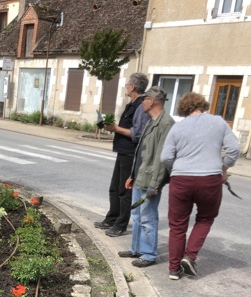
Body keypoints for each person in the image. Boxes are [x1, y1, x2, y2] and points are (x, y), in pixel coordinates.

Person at [161, 92, 240, 280]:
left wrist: (178, 169)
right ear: (202, 106)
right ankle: (190, 256)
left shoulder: (177, 128)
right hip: (209, 179)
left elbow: (165, 157)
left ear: (183, 109)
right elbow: (234, 150)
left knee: (177, 225)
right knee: (205, 218)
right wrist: (223, 168)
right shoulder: (219, 123)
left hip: (181, 179)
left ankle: (173, 269)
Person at [118, 86, 175, 268]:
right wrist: (133, 175)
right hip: (140, 178)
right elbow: (143, 153)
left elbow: (161, 157)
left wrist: (155, 183)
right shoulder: (152, 121)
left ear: (151, 101)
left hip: (150, 181)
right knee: (136, 213)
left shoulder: (166, 124)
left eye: (144, 99)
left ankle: (149, 254)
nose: (142, 102)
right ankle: (136, 248)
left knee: (147, 217)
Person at [95, 72, 151, 237]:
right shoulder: (131, 104)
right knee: (114, 188)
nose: (126, 87)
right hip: (122, 151)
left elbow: (139, 132)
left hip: (130, 153)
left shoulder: (141, 106)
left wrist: (116, 129)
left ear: (132, 87)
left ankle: (121, 224)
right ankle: (111, 218)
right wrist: (110, 127)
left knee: (124, 190)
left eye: (127, 84)